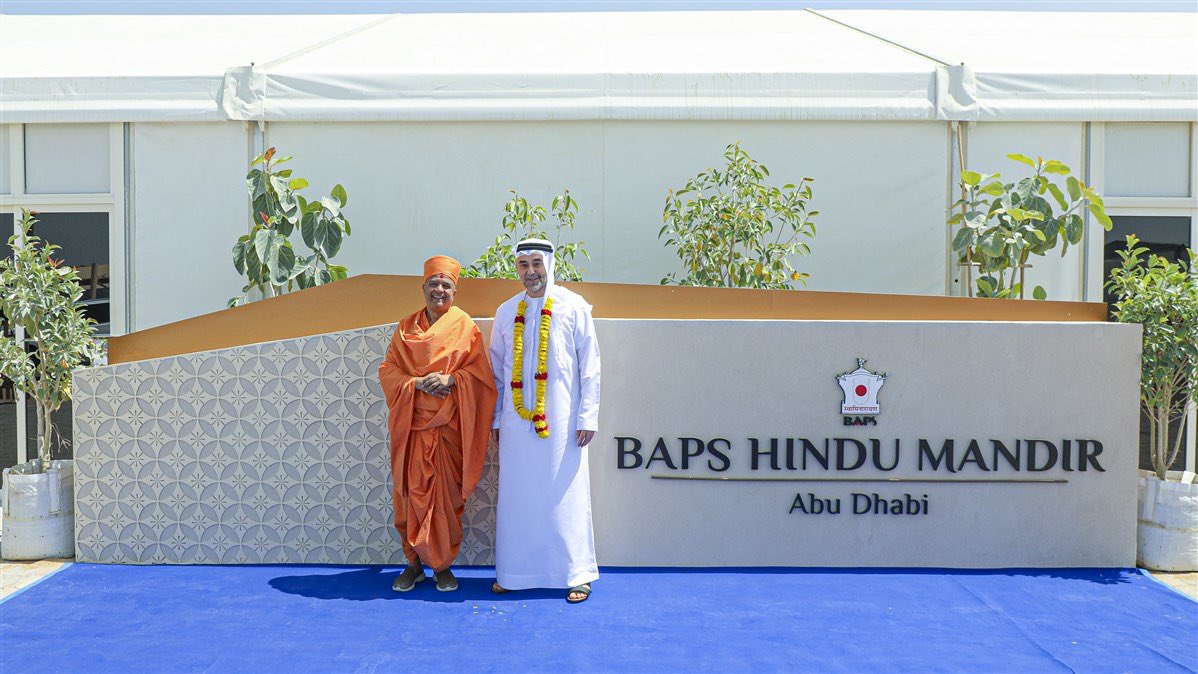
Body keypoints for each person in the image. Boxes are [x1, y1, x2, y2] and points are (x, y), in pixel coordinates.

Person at [488, 239, 601, 603]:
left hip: (564, 423)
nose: (531, 272)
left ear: (549, 264)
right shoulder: (506, 312)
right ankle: (514, 573)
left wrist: (588, 415)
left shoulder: (573, 306)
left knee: (563, 495)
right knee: (517, 498)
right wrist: (495, 419)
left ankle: (575, 573)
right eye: (523, 265)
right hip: (517, 424)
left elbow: (591, 366)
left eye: (537, 263)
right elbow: (496, 374)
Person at [378, 255, 497, 592]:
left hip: (448, 430)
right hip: (412, 429)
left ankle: (443, 565)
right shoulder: (405, 329)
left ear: (455, 291)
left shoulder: (466, 328)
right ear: (423, 288)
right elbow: (388, 371)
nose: (439, 290)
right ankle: (413, 564)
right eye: (434, 284)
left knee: (445, 499)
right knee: (409, 496)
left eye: (446, 285)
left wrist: (451, 380)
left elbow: (482, 377)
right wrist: (414, 384)